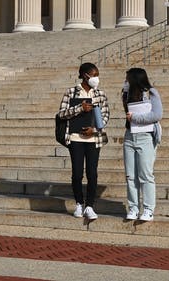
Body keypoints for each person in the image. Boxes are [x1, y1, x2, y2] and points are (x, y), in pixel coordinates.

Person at [58, 62, 109, 219]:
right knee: (77, 173)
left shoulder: (100, 94)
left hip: (93, 139)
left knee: (92, 173)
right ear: (85, 75)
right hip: (75, 138)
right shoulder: (71, 92)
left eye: (97, 75)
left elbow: (105, 116)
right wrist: (80, 108)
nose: (96, 78)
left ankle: (90, 206)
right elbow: (61, 114)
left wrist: (94, 129)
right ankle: (79, 203)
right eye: (94, 75)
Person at [121, 68, 162, 221]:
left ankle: (148, 209)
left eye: (127, 79)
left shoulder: (151, 93)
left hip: (146, 136)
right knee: (130, 175)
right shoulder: (127, 94)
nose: (125, 81)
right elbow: (127, 114)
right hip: (130, 136)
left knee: (145, 174)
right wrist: (124, 95)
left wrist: (136, 117)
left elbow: (157, 115)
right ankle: (133, 208)